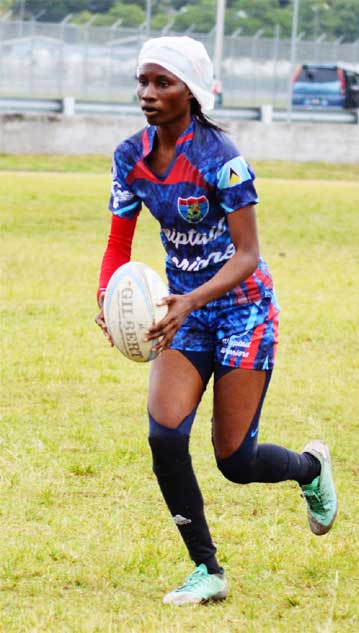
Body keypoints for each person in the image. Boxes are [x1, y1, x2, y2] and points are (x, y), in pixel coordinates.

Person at [94, 36, 337, 606]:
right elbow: (117, 244)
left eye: (162, 83)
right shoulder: (129, 157)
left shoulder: (220, 156)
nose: (147, 94)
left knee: (235, 460)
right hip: (181, 311)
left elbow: (247, 255)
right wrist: (107, 298)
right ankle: (208, 569)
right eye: (142, 82)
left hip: (242, 308)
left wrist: (189, 300)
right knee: (164, 436)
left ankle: (309, 468)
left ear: (190, 91)